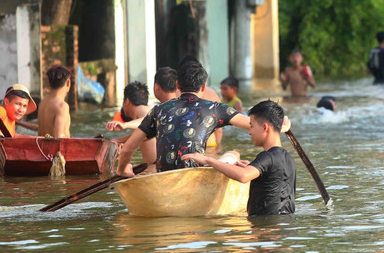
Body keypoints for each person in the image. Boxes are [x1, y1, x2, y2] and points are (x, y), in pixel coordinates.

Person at [115, 59, 281, 177]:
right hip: (194, 177)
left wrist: (122, 170)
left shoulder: (158, 109)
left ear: (178, 85)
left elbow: (129, 148)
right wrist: (282, 125)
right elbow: (253, 125)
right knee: (234, 154)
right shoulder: (214, 108)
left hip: (162, 178)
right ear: (203, 87)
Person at [182, 100, 296, 216]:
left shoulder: (267, 156)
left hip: (265, 229)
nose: (249, 132)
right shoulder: (289, 159)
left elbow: (243, 176)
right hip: (283, 227)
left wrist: (208, 160)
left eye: (251, 126)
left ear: (265, 127)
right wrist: (254, 168)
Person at [38, 65, 72, 138]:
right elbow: (59, 137)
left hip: (42, 147)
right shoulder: (62, 106)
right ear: (68, 83)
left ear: (49, 83)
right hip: (57, 149)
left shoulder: (43, 102)